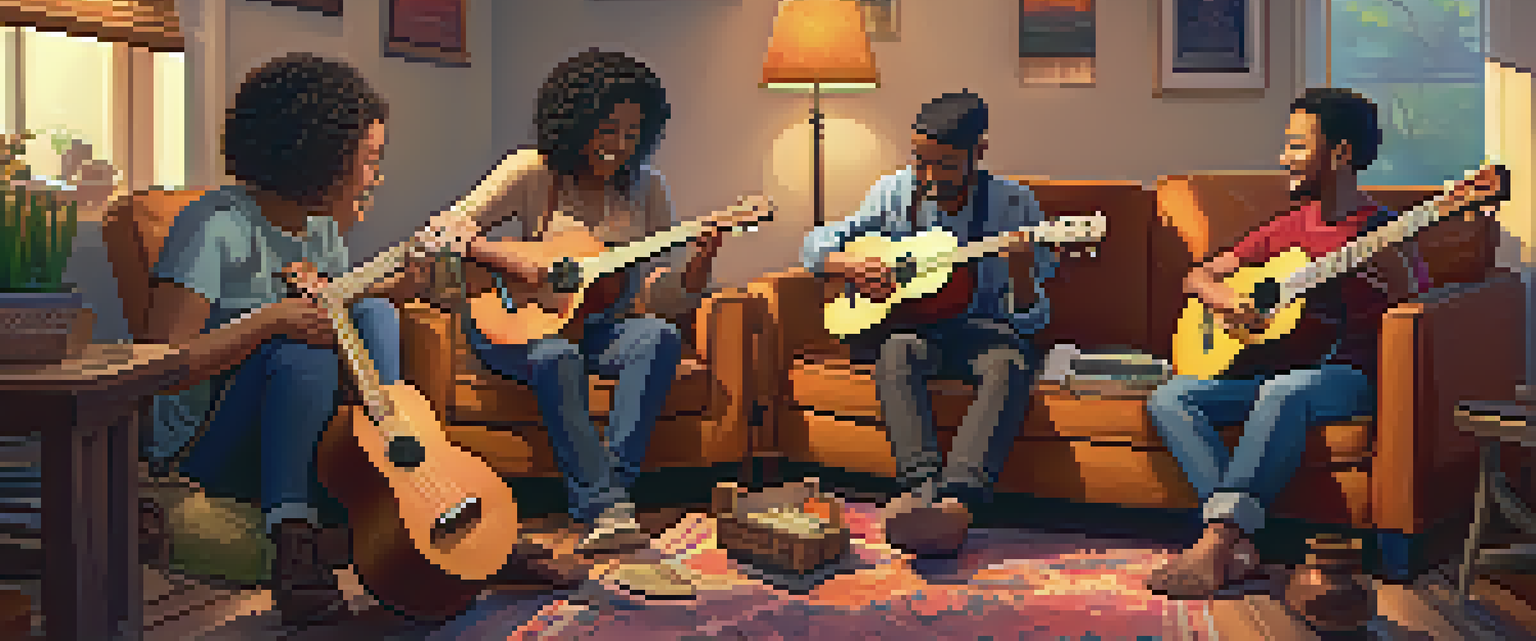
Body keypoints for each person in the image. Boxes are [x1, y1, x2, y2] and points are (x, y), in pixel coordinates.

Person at [142, 53, 425, 624]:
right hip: (202, 450)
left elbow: (345, 321)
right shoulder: (213, 226)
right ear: (318, 158)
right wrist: (269, 321)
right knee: (301, 349)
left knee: (373, 315)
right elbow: (156, 368)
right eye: (368, 161)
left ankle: (402, 477)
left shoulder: (320, 232)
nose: (377, 177)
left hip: (286, 436)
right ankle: (293, 546)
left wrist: (405, 283)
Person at [422, 49, 728, 554]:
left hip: (599, 324)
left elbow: (662, 296)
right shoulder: (532, 170)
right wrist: (513, 261)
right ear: (575, 122)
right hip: (517, 323)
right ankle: (604, 505)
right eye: (608, 130)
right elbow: (440, 232)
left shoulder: (648, 187)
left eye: (633, 134)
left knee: (659, 338)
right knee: (556, 355)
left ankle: (612, 491)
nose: (620, 147)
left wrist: (701, 262)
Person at [1145, 87, 1429, 598]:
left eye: (1297, 146)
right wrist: (1226, 301)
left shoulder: (1384, 232)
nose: (1284, 159)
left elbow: (1423, 317)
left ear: (1340, 152)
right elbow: (1199, 277)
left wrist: (1400, 278)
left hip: (1350, 378)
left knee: (1285, 392)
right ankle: (1240, 547)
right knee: (1170, 396)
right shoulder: (1291, 227)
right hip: (1276, 371)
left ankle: (1215, 543)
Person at [799, 90, 1058, 557]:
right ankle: (919, 489)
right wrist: (849, 266)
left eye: (944, 164)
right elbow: (815, 245)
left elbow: (1032, 319)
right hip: (915, 329)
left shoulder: (1016, 206)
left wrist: (1020, 268)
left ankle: (958, 498)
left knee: (1011, 362)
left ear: (978, 151)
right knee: (895, 350)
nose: (929, 176)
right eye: (920, 161)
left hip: (984, 330)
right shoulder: (892, 192)